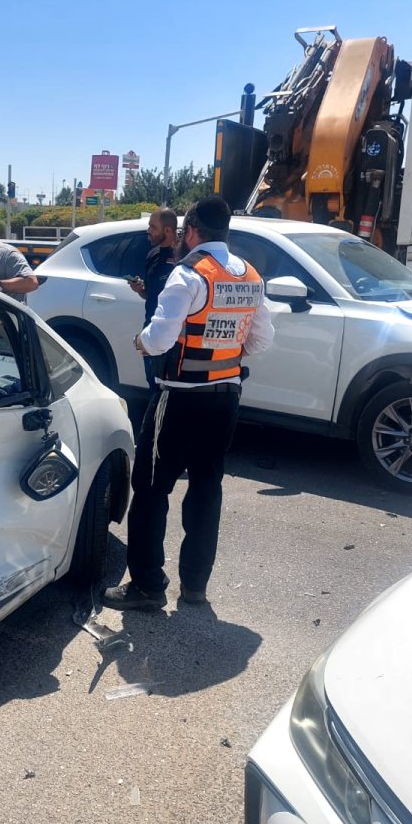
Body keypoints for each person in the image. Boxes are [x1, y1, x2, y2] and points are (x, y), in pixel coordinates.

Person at [104, 195, 277, 611]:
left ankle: (147, 585)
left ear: (192, 232)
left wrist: (141, 342)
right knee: (205, 486)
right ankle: (195, 586)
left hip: (180, 398)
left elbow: (160, 338)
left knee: (148, 489)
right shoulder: (250, 276)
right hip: (226, 397)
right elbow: (262, 339)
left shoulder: (187, 275)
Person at [128, 207, 179, 389]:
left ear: (168, 230)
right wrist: (140, 289)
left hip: (174, 336)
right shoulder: (152, 254)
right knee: (153, 383)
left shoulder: (183, 258)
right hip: (150, 329)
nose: (148, 230)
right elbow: (150, 294)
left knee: (169, 388)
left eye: (153, 226)